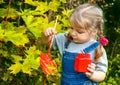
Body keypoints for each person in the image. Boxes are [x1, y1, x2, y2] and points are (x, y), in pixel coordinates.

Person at [42, 3, 108, 85]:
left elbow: (102, 74)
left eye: (79, 32)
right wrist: (46, 35)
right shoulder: (66, 39)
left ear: (94, 31)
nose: (73, 33)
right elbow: (47, 43)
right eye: (72, 28)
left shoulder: (96, 48)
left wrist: (93, 75)